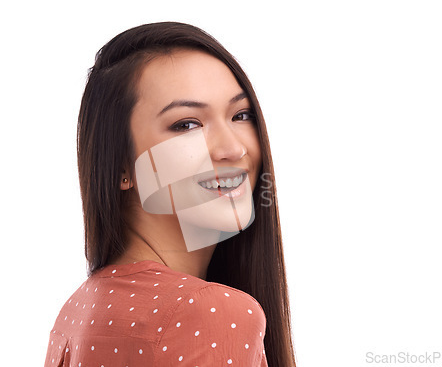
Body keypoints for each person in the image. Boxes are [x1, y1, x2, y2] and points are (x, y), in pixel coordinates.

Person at [44, 22, 296, 367]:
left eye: (241, 115)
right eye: (187, 124)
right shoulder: (211, 310)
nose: (233, 148)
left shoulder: (78, 310)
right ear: (121, 166)